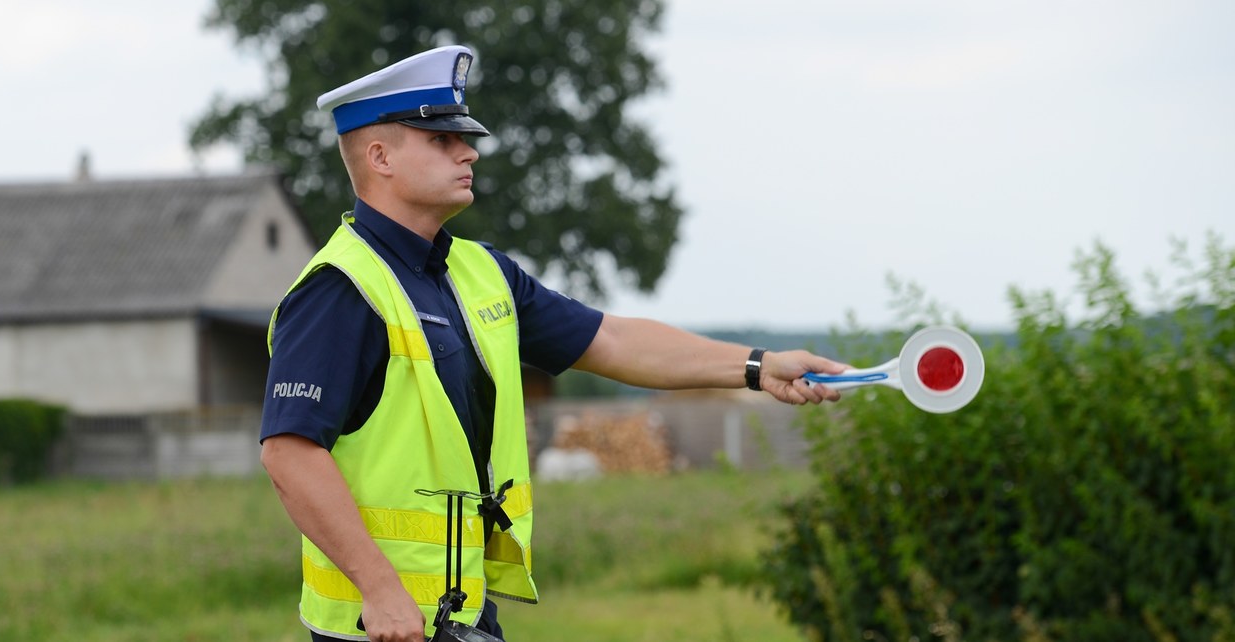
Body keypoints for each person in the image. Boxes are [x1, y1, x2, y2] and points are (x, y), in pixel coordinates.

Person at [259, 44, 847, 642]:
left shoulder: (479, 271)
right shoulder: (340, 288)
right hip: (380, 626)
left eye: (465, 138)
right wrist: (379, 591)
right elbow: (289, 452)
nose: (471, 151)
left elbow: (611, 339)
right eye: (441, 140)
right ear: (379, 156)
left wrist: (760, 365)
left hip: (459, 615)